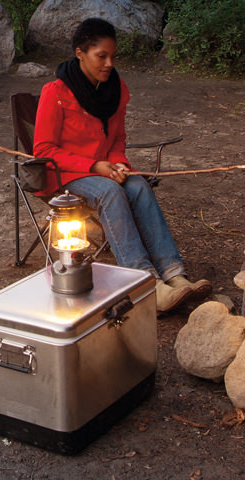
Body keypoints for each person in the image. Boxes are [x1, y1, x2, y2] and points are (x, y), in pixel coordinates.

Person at [34, 18, 209, 313]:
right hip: (65, 175)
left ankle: (174, 274)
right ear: (80, 53)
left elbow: (117, 139)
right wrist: (94, 166)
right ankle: (144, 282)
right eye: (101, 56)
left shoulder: (116, 89)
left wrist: (117, 162)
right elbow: (44, 150)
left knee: (138, 185)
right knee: (109, 192)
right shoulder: (57, 92)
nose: (109, 63)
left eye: (113, 56)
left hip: (103, 169)